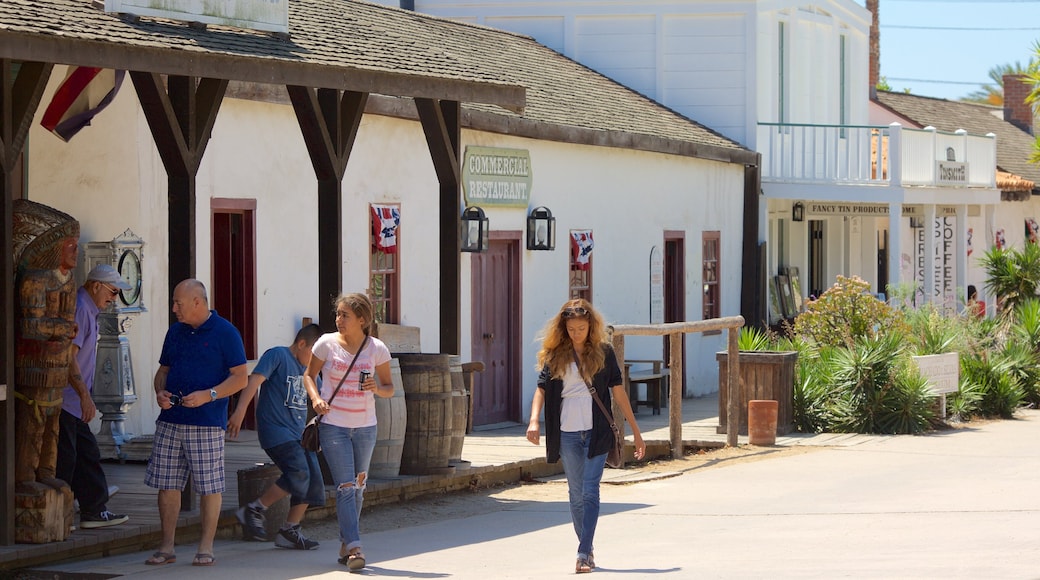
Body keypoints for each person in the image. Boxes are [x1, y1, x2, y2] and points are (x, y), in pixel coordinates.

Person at [526, 298, 646, 574]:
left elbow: (618, 392)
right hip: (566, 432)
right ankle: (587, 546)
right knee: (575, 494)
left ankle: (582, 553)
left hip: (597, 432)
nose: (576, 333)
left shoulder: (604, 352)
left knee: (590, 492)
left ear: (591, 326)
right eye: (571, 329)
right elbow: (542, 389)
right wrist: (534, 421)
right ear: (563, 327)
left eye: (581, 328)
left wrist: (636, 432)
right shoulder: (556, 354)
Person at [144, 279, 248, 567]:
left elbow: (240, 377)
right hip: (170, 419)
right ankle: (166, 547)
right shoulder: (175, 332)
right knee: (166, 485)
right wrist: (159, 392)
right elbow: (162, 371)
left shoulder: (226, 332)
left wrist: (209, 395)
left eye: (178, 303)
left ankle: (206, 546)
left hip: (206, 422)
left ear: (197, 303)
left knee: (209, 486)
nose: (174, 308)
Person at [303, 293, 393, 571]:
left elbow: (389, 388)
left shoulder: (377, 349)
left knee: (358, 487)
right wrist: (316, 398)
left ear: (362, 320)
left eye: (345, 316)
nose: (338, 320)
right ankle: (355, 547)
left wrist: (376, 388)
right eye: (338, 314)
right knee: (344, 486)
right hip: (334, 425)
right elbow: (308, 375)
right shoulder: (326, 344)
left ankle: (345, 542)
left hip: (366, 426)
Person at [229, 323, 324, 550]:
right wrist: (240, 411)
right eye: (313, 352)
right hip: (276, 432)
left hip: (298, 435)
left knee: (313, 482)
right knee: (299, 472)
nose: (316, 360)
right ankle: (254, 509)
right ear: (301, 344)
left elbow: (322, 397)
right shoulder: (278, 355)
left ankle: (289, 531)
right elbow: (254, 381)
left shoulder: (311, 373)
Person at [57, 264, 132, 529]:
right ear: (96, 285)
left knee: (81, 455)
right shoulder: (81, 307)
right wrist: (84, 396)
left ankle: (87, 509)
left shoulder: (89, 308)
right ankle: (73, 512)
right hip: (68, 399)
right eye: (112, 292)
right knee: (71, 457)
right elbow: (69, 357)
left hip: (74, 401)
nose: (113, 299)